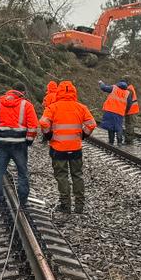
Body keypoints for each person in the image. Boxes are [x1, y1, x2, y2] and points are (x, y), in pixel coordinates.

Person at [40, 80, 96, 213]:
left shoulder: (53, 107)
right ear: (74, 92)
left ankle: (65, 205)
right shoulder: (81, 107)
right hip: (75, 148)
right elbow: (91, 124)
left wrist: (48, 135)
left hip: (58, 149)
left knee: (62, 176)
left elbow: (43, 122)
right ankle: (79, 206)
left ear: (58, 92)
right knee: (77, 175)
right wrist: (83, 135)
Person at [0, 83, 38, 205]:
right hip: (19, 145)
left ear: (10, 91)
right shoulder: (27, 105)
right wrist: (29, 141)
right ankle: (23, 200)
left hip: (2, 144)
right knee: (22, 172)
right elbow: (33, 126)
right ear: (22, 92)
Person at [98, 79, 129, 146]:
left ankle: (111, 141)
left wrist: (101, 83)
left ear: (119, 83)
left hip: (110, 110)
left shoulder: (114, 88)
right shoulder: (127, 93)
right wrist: (125, 112)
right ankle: (119, 142)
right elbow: (129, 104)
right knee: (119, 127)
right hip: (120, 112)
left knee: (110, 126)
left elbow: (104, 88)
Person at [123, 77, 140, 146]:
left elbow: (128, 102)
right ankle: (130, 139)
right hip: (132, 110)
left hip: (130, 111)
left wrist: (125, 111)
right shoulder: (130, 88)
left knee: (129, 125)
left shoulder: (129, 89)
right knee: (130, 125)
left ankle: (128, 141)